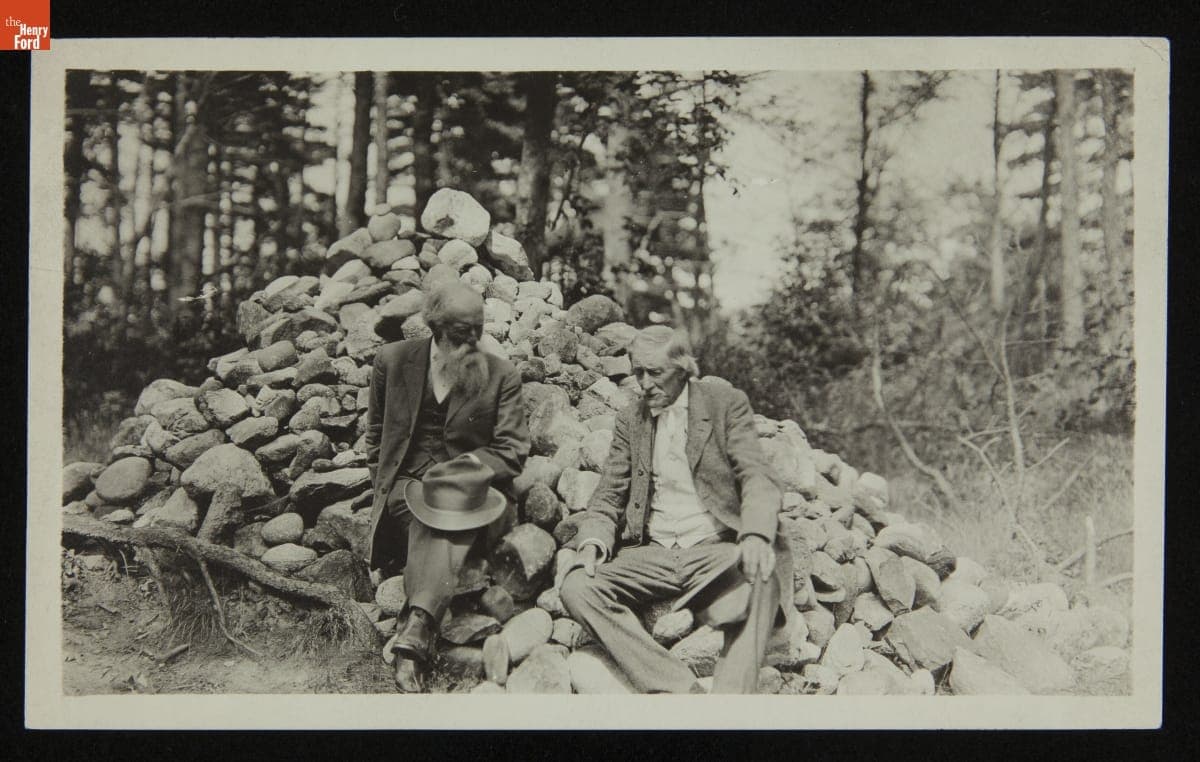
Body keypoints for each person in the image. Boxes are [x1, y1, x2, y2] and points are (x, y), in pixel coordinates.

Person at [558, 325, 790, 694]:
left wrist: (757, 533)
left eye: (655, 372)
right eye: (637, 373)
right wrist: (592, 543)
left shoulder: (724, 403)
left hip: (715, 550)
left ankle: (730, 704)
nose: (645, 383)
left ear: (684, 369)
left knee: (764, 573)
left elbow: (757, 476)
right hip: (652, 553)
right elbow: (608, 495)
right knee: (576, 586)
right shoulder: (630, 420)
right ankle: (681, 693)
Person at [364, 282, 530, 692]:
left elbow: (513, 451)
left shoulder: (501, 374)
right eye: (462, 332)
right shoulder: (392, 360)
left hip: (474, 492)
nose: (473, 340)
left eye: (478, 329)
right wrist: (385, 482)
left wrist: (464, 471)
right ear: (435, 326)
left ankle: (415, 631)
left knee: (440, 518)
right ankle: (419, 630)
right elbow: (374, 436)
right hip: (407, 484)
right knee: (424, 511)